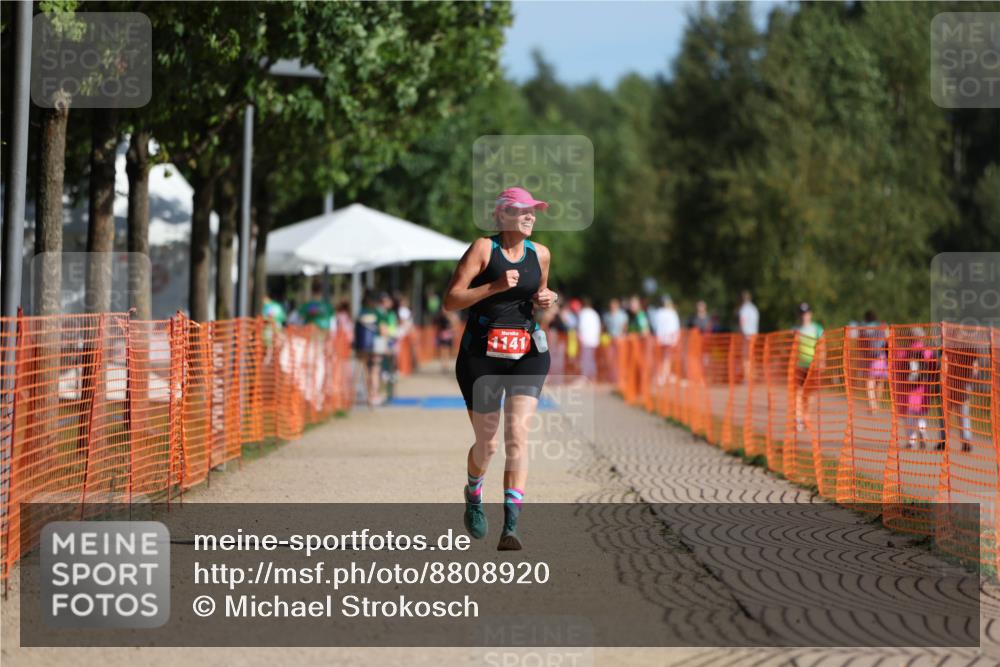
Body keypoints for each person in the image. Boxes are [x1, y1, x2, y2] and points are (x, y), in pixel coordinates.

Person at [443, 186, 557, 551]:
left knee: (517, 437)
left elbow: (541, 297)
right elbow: (451, 300)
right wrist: (492, 286)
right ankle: (474, 493)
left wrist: (548, 299)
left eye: (534, 212)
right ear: (504, 215)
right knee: (488, 444)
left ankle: (511, 525)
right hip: (482, 354)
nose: (531, 217)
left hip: (527, 351)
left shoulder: (540, 254)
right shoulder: (482, 249)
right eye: (524, 211)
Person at [794, 302, 824, 432]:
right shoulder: (795, 330)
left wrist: (822, 361)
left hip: (813, 365)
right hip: (799, 365)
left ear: (810, 314)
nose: (803, 316)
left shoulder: (817, 329)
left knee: (809, 394)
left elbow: (822, 346)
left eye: (805, 313)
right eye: (801, 314)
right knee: (798, 392)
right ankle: (798, 418)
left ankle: (806, 416)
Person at [354, 291, 382, 408]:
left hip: (362, 346)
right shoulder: (377, 313)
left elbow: (356, 330)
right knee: (374, 369)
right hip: (375, 345)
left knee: (363, 368)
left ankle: (358, 394)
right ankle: (373, 394)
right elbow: (382, 329)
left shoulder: (360, 312)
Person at [859, 310, 888, 413]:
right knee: (880, 381)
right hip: (882, 356)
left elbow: (861, 343)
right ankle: (877, 403)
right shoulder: (881, 326)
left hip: (870, 357)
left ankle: (873, 405)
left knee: (870, 381)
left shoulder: (863, 328)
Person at [652, 295, 681, 386]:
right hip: (666, 339)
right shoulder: (669, 313)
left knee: (664, 358)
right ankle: (662, 376)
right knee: (665, 359)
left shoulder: (659, 313)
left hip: (662, 339)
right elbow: (675, 327)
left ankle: (662, 376)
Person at [577, 297, 601, 381]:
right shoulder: (595, 313)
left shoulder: (583, 313)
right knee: (591, 359)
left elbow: (581, 327)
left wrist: (579, 337)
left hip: (586, 340)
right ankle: (593, 376)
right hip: (594, 340)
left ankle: (585, 376)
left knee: (586, 359)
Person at [738, 291, 759, 382]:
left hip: (746, 335)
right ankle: (752, 375)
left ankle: (747, 377)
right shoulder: (754, 308)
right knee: (751, 356)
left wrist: (741, 333)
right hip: (754, 335)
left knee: (746, 356)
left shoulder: (743, 309)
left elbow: (742, 322)